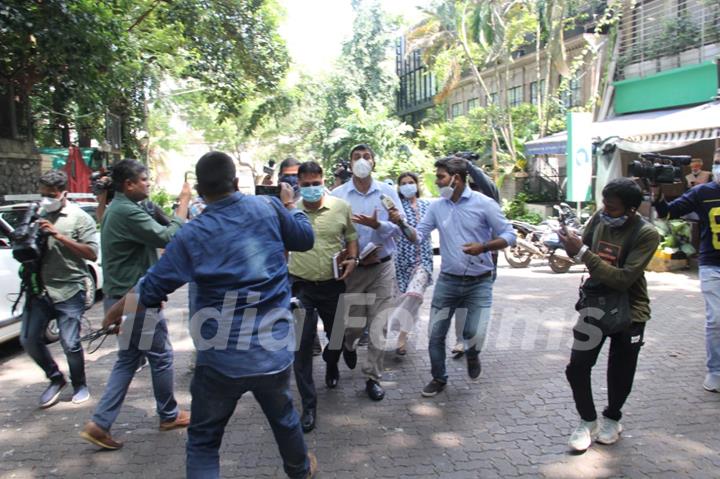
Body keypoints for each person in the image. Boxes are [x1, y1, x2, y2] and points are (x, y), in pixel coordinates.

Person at [100, 152, 317, 478]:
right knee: (284, 417)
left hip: (220, 362)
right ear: (235, 182)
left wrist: (116, 312)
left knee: (203, 440)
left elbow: (152, 287)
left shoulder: (191, 234)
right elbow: (305, 238)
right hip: (272, 353)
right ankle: (300, 470)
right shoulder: (267, 208)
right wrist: (288, 204)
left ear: (200, 190)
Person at [80, 159, 192, 450]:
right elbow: (169, 235)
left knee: (128, 360)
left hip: (124, 297)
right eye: (144, 179)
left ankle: (100, 423)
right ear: (129, 184)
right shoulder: (125, 211)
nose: (148, 183)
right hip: (133, 300)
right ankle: (168, 414)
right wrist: (183, 203)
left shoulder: (123, 208)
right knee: (161, 355)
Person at [389, 156, 515, 397]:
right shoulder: (438, 207)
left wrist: (484, 247)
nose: (436, 182)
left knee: (474, 334)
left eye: (440, 177)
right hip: (448, 280)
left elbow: (509, 235)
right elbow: (418, 235)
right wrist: (401, 224)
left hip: (480, 282)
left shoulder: (484, 203)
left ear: (456, 179)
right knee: (435, 334)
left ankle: (473, 354)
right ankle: (438, 378)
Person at [559, 178, 660, 452]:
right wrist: (569, 247)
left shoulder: (647, 234)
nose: (605, 210)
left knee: (620, 371)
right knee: (577, 366)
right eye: (604, 203)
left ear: (630, 210)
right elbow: (585, 252)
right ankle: (587, 420)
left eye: (612, 207)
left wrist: (581, 251)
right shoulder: (600, 219)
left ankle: (612, 418)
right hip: (595, 304)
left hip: (631, 311)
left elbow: (624, 279)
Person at [19, 170, 98, 407]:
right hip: (39, 290)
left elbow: (92, 253)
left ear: (63, 193)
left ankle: (80, 384)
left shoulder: (79, 218)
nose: (46, 199)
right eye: (43, 194)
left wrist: (59, 236)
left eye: (51, 195)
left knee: (70, 342)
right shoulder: (37, 213)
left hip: (69, 289)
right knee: (29, 339)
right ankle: (55, 378)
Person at [289, 160, 359, 433]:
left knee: (337, 337)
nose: (311, 189)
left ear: (323, 180)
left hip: (333, 284)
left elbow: (351, 235)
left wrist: (352, 257)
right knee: (301, 346)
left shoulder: (340, 207)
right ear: (298, 185)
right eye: (305, 185)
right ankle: (309, 405)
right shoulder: (291, 213)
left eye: (315, 184)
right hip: (300, 287)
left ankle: (332, 364)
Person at [332, 143, 404, 401]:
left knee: (379, 323)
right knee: (353, 325)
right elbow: (332, 232)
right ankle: (348, 345)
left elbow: (400, 226)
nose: (362, 160)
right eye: (356, 157)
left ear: (373, 162)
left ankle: (372, 377)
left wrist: (379, 225)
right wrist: (349, 254)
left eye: (366, 156)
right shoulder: (339, 195)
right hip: (352, 269)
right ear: (350, 163)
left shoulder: (386, 192)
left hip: (382, 266)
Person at [653, 150, 720, 392]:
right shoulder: (703, 192)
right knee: (716, 319)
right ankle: (716, 371)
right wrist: (657, 193)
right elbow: (667, 213)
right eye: (717, 162)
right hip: (713, 265)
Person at [390, 172, 433, 356]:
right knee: (405, 297)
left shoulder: (427, 206)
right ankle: (402, 335)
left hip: (423, 259)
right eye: (404, 183)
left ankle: (395, 329)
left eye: (411, 182)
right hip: (401, 259)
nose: (408, 185)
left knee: (414, 295)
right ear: (398, 188)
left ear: (417, 184)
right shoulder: (396, 208)